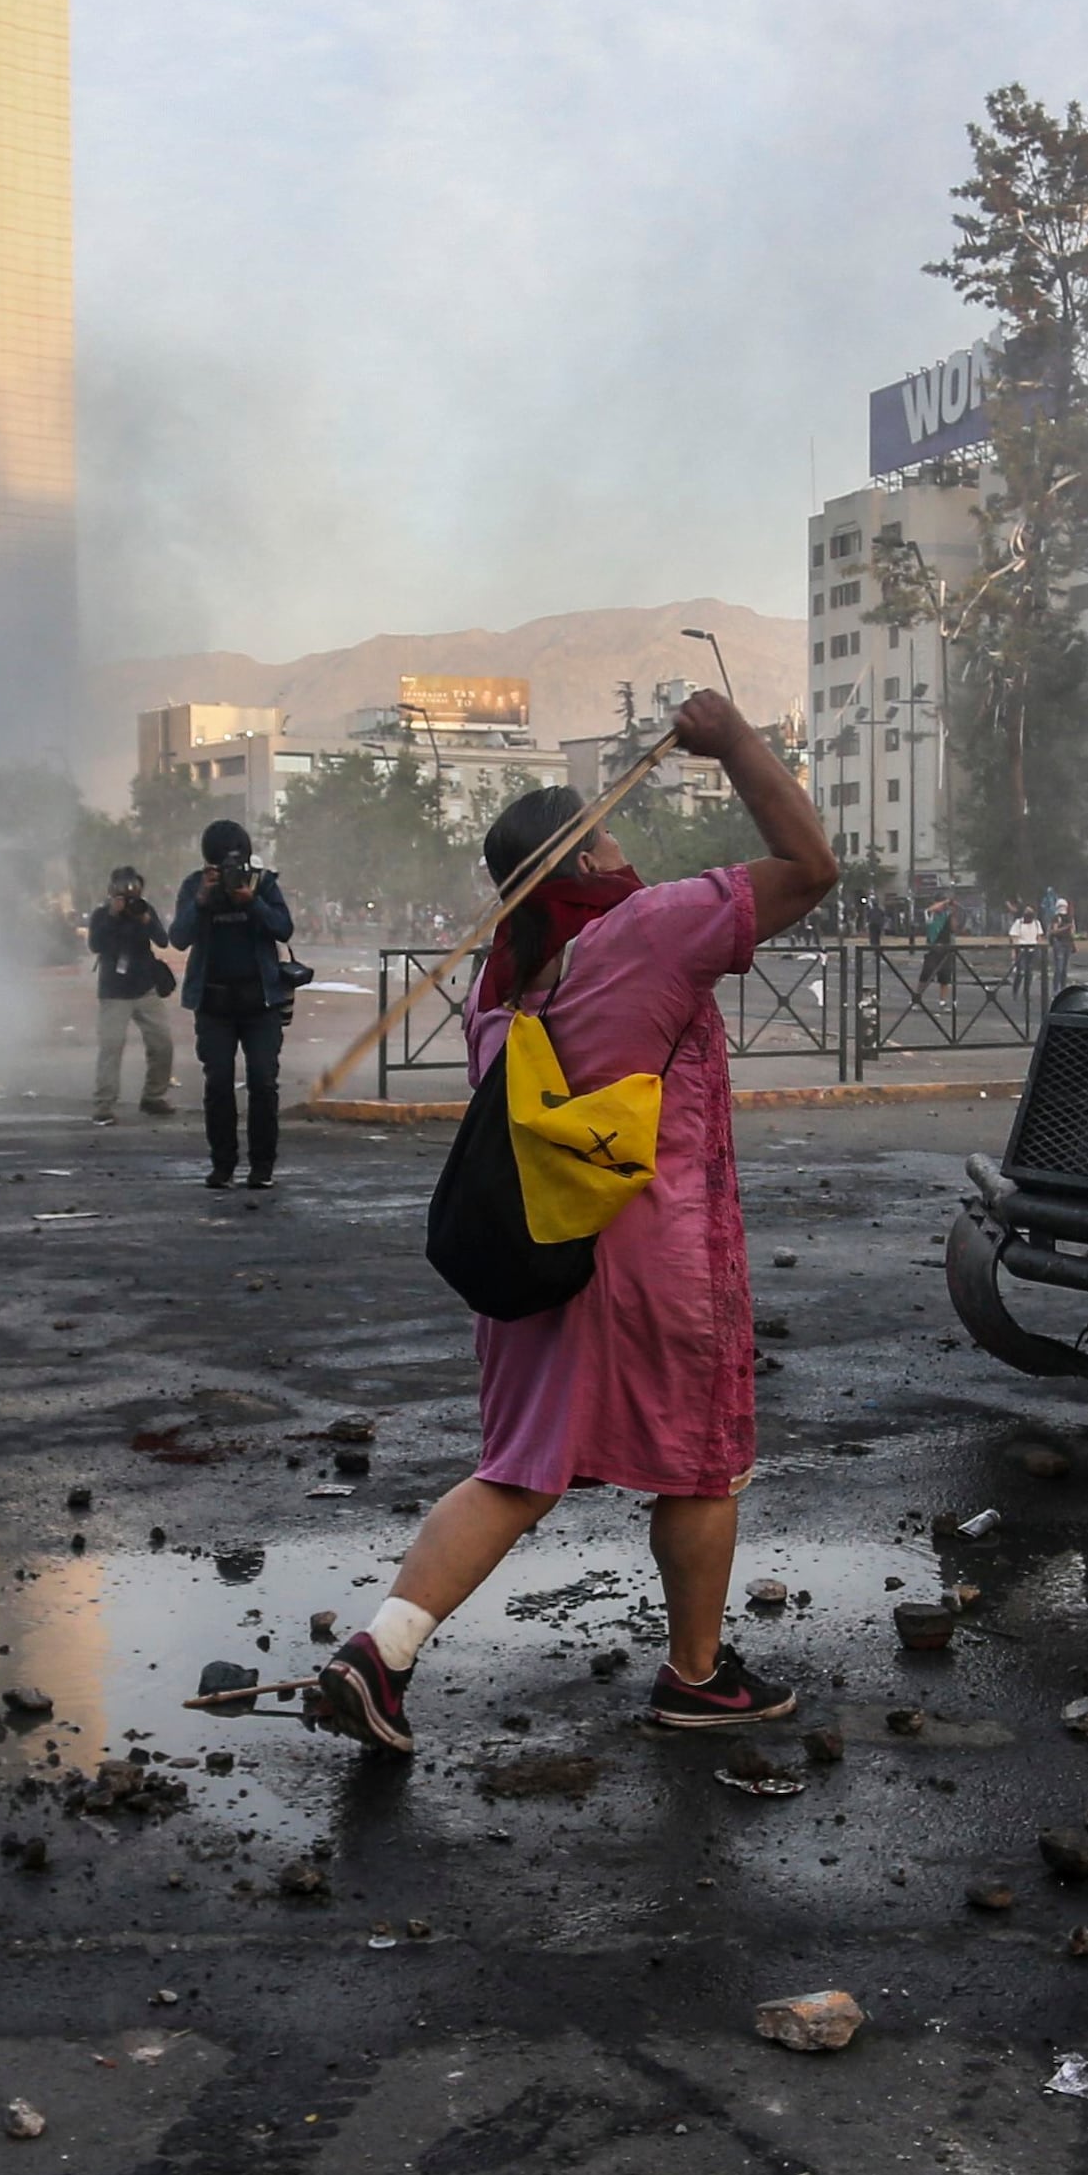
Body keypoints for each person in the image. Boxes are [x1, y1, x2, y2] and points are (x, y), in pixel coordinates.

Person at [292, 691, 838, 1754]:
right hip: (650, 1263)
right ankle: (693, 1675)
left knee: (515, 1468)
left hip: (533, 1253)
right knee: (700, 1464)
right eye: (609, 833)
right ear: (582, 860)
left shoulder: (499, 977)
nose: (622, 846)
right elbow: (811, 866)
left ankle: (380, 1651)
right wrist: (732, 745)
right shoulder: (647, 931)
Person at [165, 818, 298, 1190]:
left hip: (261, 1002)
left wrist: (252, 902)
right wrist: (202, 902)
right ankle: (222, 1164)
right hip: (213, 1002)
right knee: (218, 1083)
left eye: (236, 864)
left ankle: (262, 1166)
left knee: (263, 1082)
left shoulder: (263, 882)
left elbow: (283, 928)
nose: (230, 872)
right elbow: (178, 938)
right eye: (222, 866)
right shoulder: (195, 886)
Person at [81, 866, 177, 1123]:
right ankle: (104, 1104)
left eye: (133, 888)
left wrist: (146, 919)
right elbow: (95, 944)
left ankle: (153, 1096)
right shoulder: (102, 914)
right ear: (112, 891)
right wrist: (113, 915)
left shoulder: (144, 910)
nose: (129, 894)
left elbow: (162, 940)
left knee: (162, 1043)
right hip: (114, 992)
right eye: (123, 889)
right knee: (111, 1047)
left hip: (145, 987)